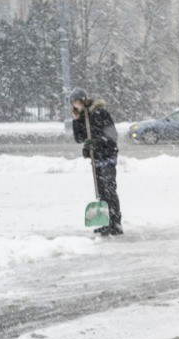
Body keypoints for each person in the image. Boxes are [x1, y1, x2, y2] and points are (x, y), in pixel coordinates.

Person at [70, 87, 123, 236]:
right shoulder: (82, 117)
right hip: (97, 159)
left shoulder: (100, 113)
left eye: (77, 101)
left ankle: (115, 223)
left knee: (109, 190)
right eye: (73, 103)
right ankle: (105, 222)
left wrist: (97, 143)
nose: (75, 105)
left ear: (84, 100)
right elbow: (79, 138)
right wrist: (75, 121)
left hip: (108, 157)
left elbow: (112, 135)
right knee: (100, 191)